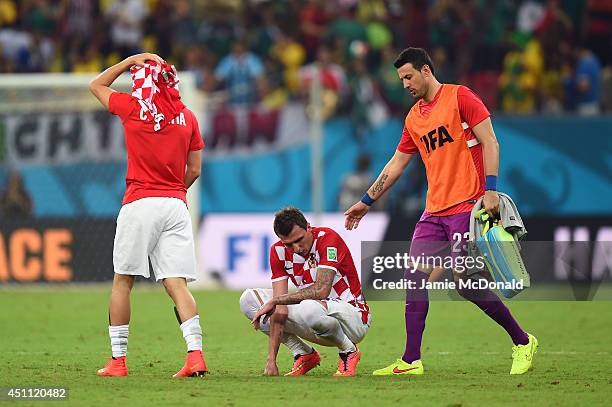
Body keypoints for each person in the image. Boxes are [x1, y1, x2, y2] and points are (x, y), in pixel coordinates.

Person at [344, 47, 538, 376]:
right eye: (401, 79)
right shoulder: (413, 118)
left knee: (464, 283)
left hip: (468, 205)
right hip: (433, 212)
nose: (404, 84)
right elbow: (397, 164)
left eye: (408, 76)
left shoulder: (461, 97)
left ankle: (522, 341)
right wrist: (367, 200)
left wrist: (490, 189)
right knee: (414, 278)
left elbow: (490, 141)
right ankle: (410, 360)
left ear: (426, 71)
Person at [89, 52, 207, 378]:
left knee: (123, 282)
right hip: (175, 205)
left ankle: (118, 361)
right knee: (177, 284)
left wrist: (129, 62)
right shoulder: (188, 117)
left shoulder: (132, 108)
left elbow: (96, 84)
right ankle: (195, 355)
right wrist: (175, 190)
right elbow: (194, 169)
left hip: (140, 203)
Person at [240, 207, 371, 377]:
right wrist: (271, 360)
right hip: (314, 318)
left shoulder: (328, 239)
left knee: (307, 307)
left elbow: (321, 290)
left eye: (299, 240)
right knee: (249, 300)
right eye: (288, 244)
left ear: (308, 227)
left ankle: (348, 350)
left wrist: (275, 301)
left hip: (353, 318)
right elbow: (280, 309)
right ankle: (303, 353)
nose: (296, 248)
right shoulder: (278, 252)